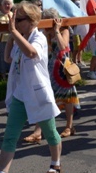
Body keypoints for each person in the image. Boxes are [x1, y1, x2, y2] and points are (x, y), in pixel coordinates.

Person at [0, 1, 62, 173]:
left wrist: (14, 33)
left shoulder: (38, 38)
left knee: (50, 133)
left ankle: (55, 164)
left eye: (19, 19)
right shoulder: (20, 38)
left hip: (38, 95)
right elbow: (8, 59)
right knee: (10, 136)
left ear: (32, 21)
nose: (15, 22)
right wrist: (11, 37)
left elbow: (32, 53)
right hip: (20, 95)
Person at [22, 8, 80, 142]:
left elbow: (63, 46)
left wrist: (56, 31)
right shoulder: (42, 33)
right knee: (45, 99)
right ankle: (38, 131)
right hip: (47, 69)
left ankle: (69, 126)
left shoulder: (64, 30)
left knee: (67, 98)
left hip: (62, 69)